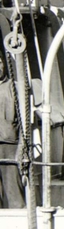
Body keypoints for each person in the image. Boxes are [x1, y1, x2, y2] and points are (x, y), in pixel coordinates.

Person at [0, 57, 25, 208]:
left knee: (14, 193)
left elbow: (25, 120)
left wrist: (22, 147)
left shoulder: (14, 88)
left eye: (0, 62)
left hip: (10, 147)